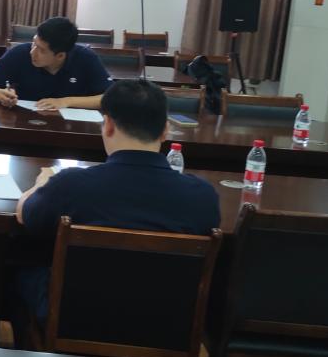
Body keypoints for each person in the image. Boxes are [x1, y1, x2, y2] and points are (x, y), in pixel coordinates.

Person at [12, 79, 220, 328]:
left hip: (78, 319)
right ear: (165, 130)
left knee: (19, 262)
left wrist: (42, 183)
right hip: (164, 326)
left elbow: (25, 215)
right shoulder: (202, 196)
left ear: (108, 125)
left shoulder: (71, 185)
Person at [0, 17, 111, 110]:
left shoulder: (85, 58)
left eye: (41, 50)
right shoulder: (20, 53)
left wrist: (65, 101)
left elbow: (109, 98)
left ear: (60, 55)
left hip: (70, 128)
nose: (32, 52)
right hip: (23, 122)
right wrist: (0, 94)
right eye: (34, 43)